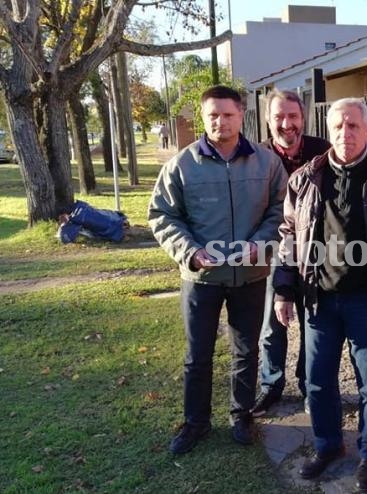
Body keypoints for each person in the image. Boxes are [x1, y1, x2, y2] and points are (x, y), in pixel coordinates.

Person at [148, 85, 288, 455]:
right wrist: (190, 252)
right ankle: (196, 422)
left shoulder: (266, 162)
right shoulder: (182, 165)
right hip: (201, 278)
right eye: (212, 115)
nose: (220, 122)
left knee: (245, 350)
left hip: (251, 275)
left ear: (242, 115)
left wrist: (260, 244)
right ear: (203, 116)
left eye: (227, 114)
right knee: (198, 354)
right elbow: (163, 215)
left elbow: (280, 211)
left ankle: (241, 415)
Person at [273, 98, 367, 491]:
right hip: (320, 299)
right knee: (317, 380)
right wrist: (283, 289)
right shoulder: (306, 178)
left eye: (353, 126)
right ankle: (328, 445)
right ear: (329, 131)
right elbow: (289, 237)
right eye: (338, 127)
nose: (346, 133)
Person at [252, 89, 331, 417]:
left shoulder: (322, 152)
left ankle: (307, 384)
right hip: (273, 252)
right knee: (273, 324)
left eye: (293, 116)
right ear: (267, 121)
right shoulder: (257, 156)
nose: (287, 124)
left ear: (303, 118)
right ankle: (271, 384)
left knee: (312, 324)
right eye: (279, 117)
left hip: (315, 254)